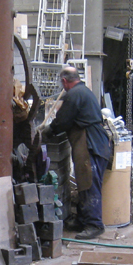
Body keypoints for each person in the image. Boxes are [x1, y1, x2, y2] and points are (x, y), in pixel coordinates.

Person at [47, 66, 112, 239]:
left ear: (64, 81)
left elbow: (63, 120)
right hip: (95, 142)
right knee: (84, 183)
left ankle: (94, 224)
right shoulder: (83, 91)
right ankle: (83, 220)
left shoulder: (74, 94)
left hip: (91, 144)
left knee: (89, 184)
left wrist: (48, 131)